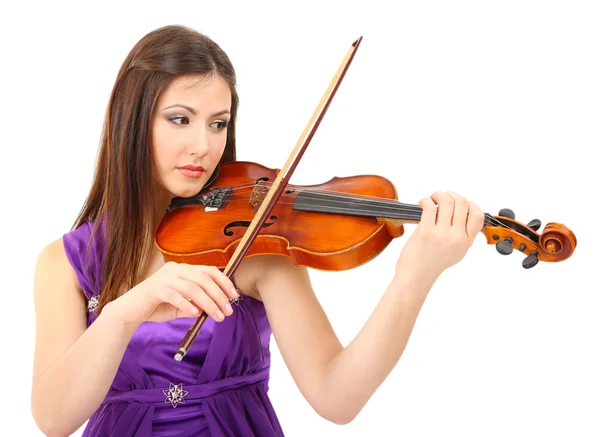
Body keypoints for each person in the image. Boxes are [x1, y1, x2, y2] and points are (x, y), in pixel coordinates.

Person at [30, 24, 484, 437]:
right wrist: (125, 310)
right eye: (179, 118)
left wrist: (413, 280)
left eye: (218, 124)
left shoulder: (257, 246)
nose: (203, 146)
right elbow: (53, 419)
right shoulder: (65, 264)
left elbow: (336, 397)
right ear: (131, 120)